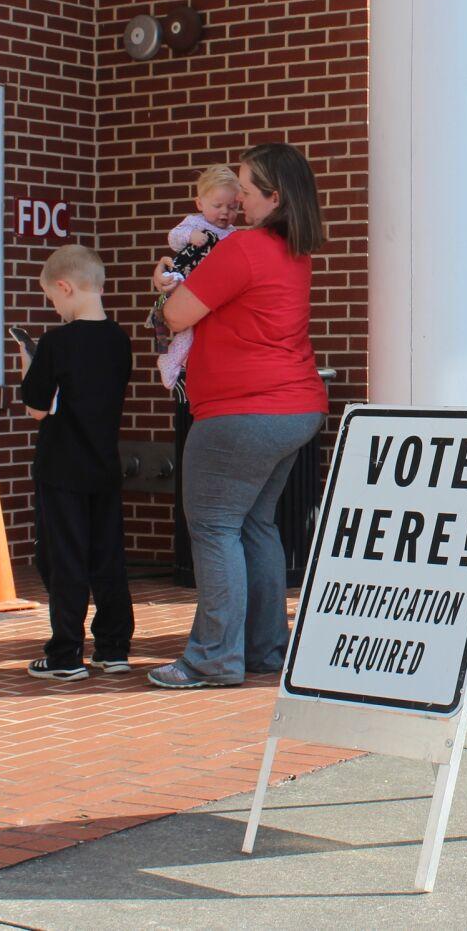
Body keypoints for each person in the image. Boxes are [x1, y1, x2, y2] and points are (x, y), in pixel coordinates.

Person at [147, 142, 328, 688]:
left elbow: (177, 316)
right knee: (255, 525)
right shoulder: (295, 251)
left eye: (246, 192)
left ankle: (212, 659)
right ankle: (264, 650)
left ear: (273, 197)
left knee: (214, 527)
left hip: (239, 413)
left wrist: (160, 295)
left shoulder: (243, 248)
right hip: (294, 406)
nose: (238, 202)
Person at [17, 245, 134, 681]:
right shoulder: (119, 340)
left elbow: (37, 409)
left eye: (52, 298)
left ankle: (65, 653)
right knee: (108, 557)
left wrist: (30, 363)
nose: (54, 306)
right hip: (104, 465)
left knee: (63, 558)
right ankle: (114, 647)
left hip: (61, 468)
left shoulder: (55, 343)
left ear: (64, 287)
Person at [155, 166, 242, 395]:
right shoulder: (194, 223)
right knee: (187, 331)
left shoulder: (234, 233)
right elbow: (173, 238)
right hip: (187, 282)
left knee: (201, 331)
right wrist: (190, 237)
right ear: (200, 203)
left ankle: (186, 363)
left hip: (211, 290)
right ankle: (170, 361)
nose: (225, 212)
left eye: (233, 207)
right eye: (218, 206)